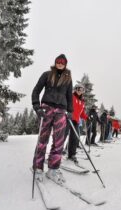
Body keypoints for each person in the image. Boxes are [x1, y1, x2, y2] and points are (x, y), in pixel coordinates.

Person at [31, 54, 73, 184]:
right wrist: (37, 106)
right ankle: (38, 168)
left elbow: (69, 96)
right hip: (46, 109)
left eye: (62, 62)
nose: (60, 63)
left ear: (65, 64)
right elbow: (36, 90)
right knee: (43, 140)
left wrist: (70, 111)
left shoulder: (68, 79)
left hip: (61, 111)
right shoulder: (47, 74)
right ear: (55, 62)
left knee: (59, 141)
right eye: (58, 61)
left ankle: (53, 169)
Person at [67, 83, 88, 163]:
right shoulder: (71, 97)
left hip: (75, 121)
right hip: (68, 118)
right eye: (78, 89)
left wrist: (87, 117)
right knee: (62, 136)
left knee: (74, 138)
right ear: (75, 89)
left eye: (82, 89)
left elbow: (82, 113)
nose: (80, 91)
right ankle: (55, 154)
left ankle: (72, 154)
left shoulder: (82, 101)